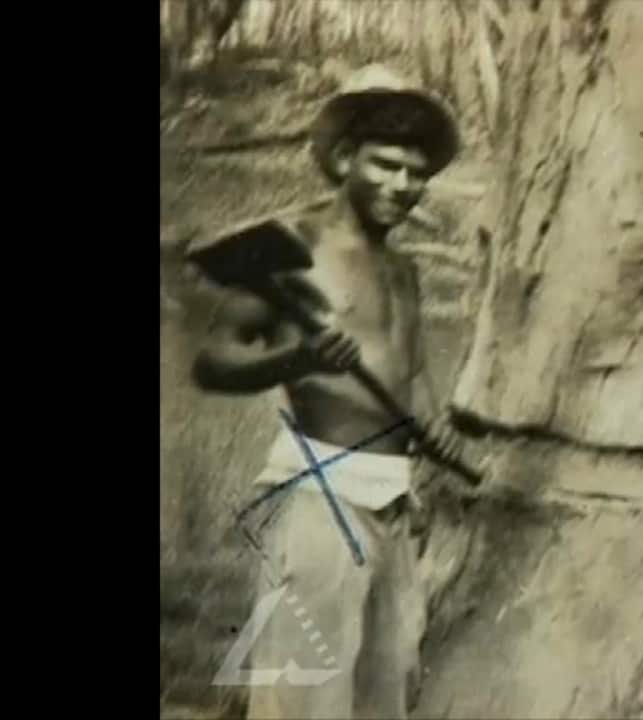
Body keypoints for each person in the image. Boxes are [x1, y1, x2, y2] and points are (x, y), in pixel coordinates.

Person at [192, 63, 466, 719]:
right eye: (388, 164)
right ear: (344, 158)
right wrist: (299, 355)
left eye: (418, 173)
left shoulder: (404, 269)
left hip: (392, 501)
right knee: (304, 697)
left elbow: (413, 374)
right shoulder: (295, 246)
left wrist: (432, 440)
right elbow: (213, 361)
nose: (405, 186)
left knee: (386, 692)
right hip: (318, 495)